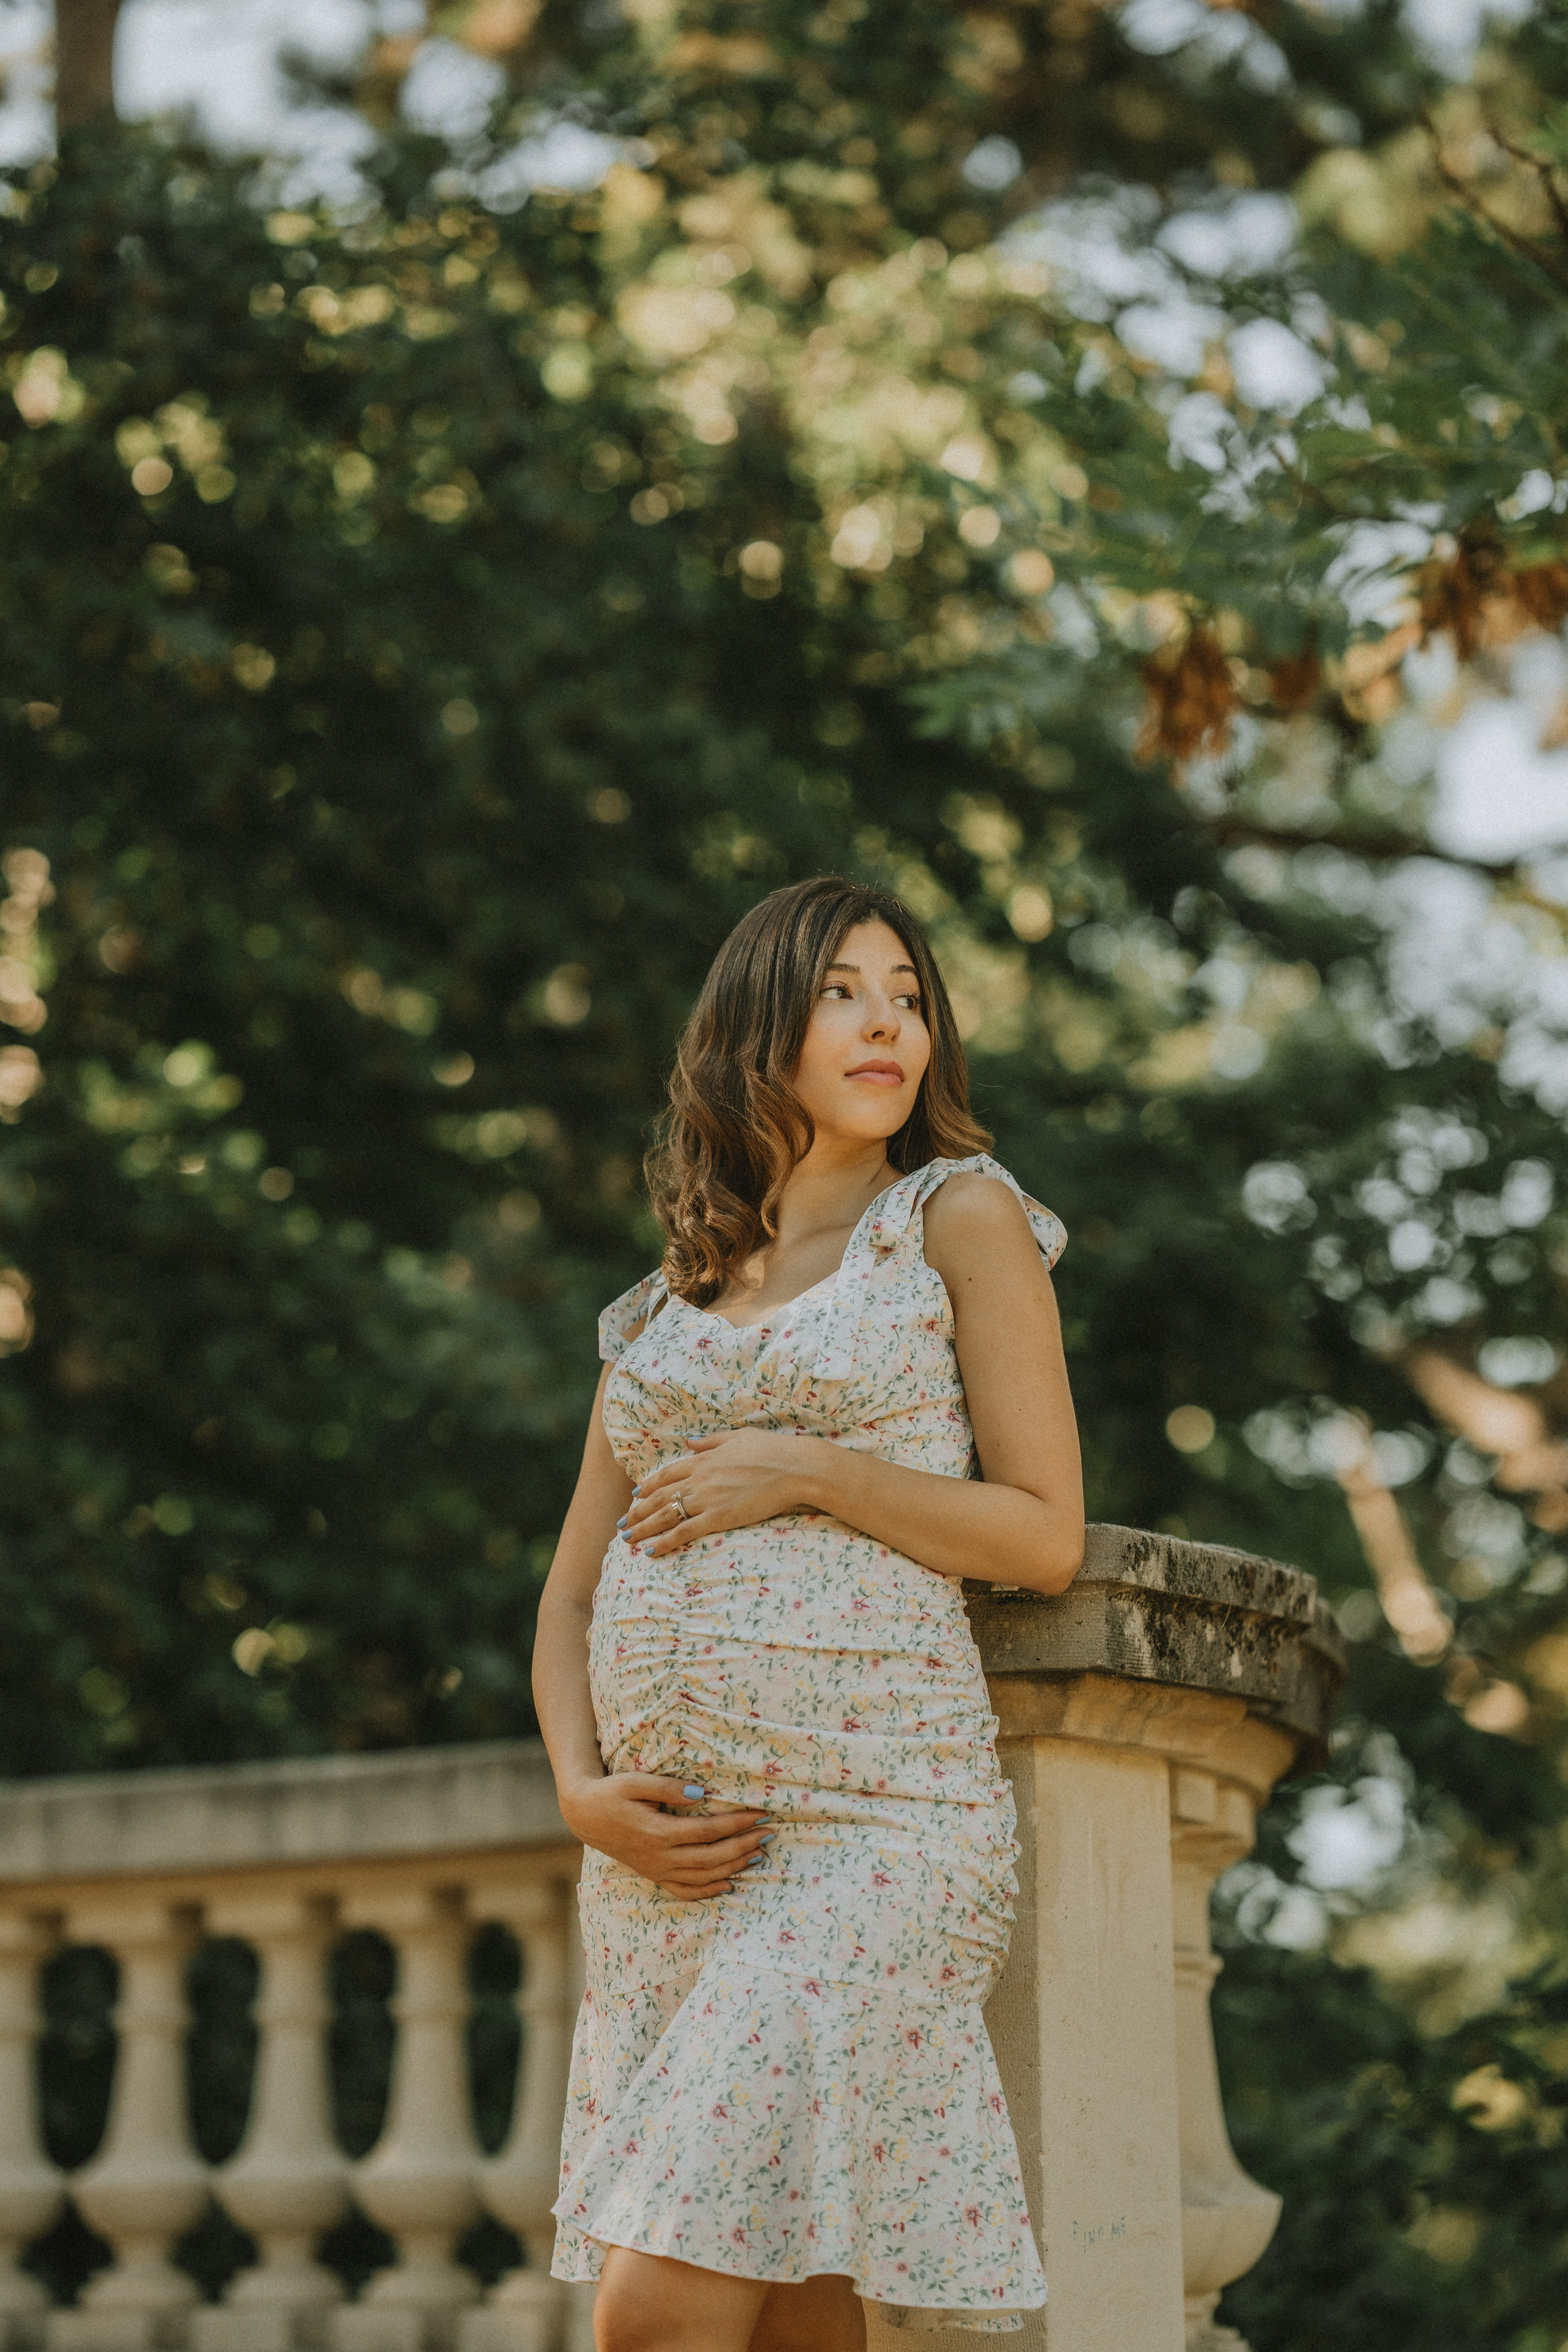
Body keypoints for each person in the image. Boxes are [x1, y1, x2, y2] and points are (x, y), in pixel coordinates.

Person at [532, 875, 1084, 2352]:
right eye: (844, 989)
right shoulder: (664, 1298)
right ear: (756, 1026)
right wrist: (583, 1793)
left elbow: (1042, 1533)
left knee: (652, 2314)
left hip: (872, 1834)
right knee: (788, 2323)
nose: (886, 1022)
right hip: (674, 1863)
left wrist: (811, 1471)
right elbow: (573, 1583)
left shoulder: (954, 1219)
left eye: (907, 997)